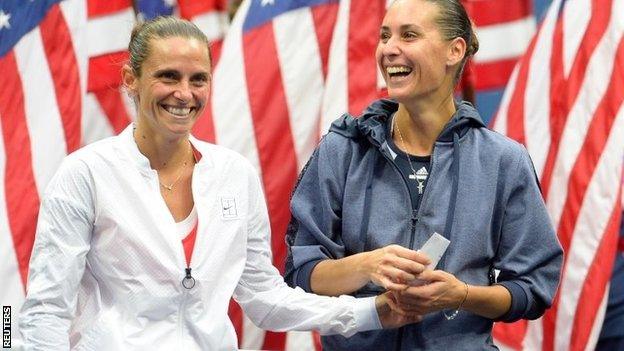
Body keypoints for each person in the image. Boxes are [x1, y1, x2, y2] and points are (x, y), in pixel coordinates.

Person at [18, 16, 419, 350]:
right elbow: (44, 310)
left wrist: (371, 312)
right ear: (131, 79)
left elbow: (264, 298)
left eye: (198, 79)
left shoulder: (235, 174)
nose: (184, 94)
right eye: (168, 76)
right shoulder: (85, 173)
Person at [284, 0, 564, 350]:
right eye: (385, 36)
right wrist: (368, 266)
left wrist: (460, 295)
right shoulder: (342, 150)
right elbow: (300, 272)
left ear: (455, 51)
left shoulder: (503, 161)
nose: (389, 49)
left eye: (409, 35)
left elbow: (534, 287)